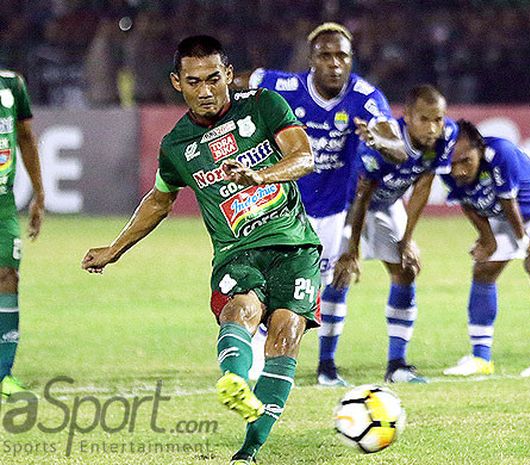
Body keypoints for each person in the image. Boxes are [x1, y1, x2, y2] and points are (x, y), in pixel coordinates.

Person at [81, 36, 321, 465]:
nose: (206, 90)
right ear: (177, 83)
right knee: (241, 311)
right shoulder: (176, 146)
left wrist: (261, 177)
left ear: (229, 75)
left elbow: (304, 157)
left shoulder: (264, 106)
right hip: (237, 250)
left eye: (214, 79)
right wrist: (117, 248)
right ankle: (233, 380)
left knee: (285, 330)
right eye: (194, 82)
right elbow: (159, 200)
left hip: (294, 243)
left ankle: (248, 451)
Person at [236, 22, 404, 386]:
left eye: (341, 55)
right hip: (281, 205)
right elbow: (235, 81)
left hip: (330, 211)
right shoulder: (284, 86)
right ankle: (263, 348)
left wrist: (378, 139)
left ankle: (325, 365)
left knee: (321, 288)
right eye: (325, 55)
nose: (334, 63)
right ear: (311, 59)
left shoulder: (365, 96)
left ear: (351, 59)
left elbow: (400, 151)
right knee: (269, 281)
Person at [333, 85, 455, 383]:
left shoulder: (444, 138)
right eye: (424, 119)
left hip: (387, 204)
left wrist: (407, 239)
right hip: (347, 206)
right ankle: (326, 366)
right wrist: (352, 250)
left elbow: (423, 187)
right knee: (338, 275)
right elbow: (363, 194)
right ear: (407, 117)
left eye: (438, 119)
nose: (433, 127)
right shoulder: (384, 140)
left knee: (406, 271)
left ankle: (397, 365)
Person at [442, 120, 530, 378]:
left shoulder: (500, 153)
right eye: (453, 164)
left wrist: (526, 243)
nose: (459, 170)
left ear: (479, 149)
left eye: (465, 161)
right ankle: (481, 358)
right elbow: (467, 202)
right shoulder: (446, 168)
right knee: (483, 270)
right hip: (509, 215)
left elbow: (509, 201)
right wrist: (487, 238)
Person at [0, 69, 44, 397]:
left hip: (2, 203)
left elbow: (25, 137)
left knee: (8, 276)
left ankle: (3, 373)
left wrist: (39, 194)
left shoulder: (12, 84)